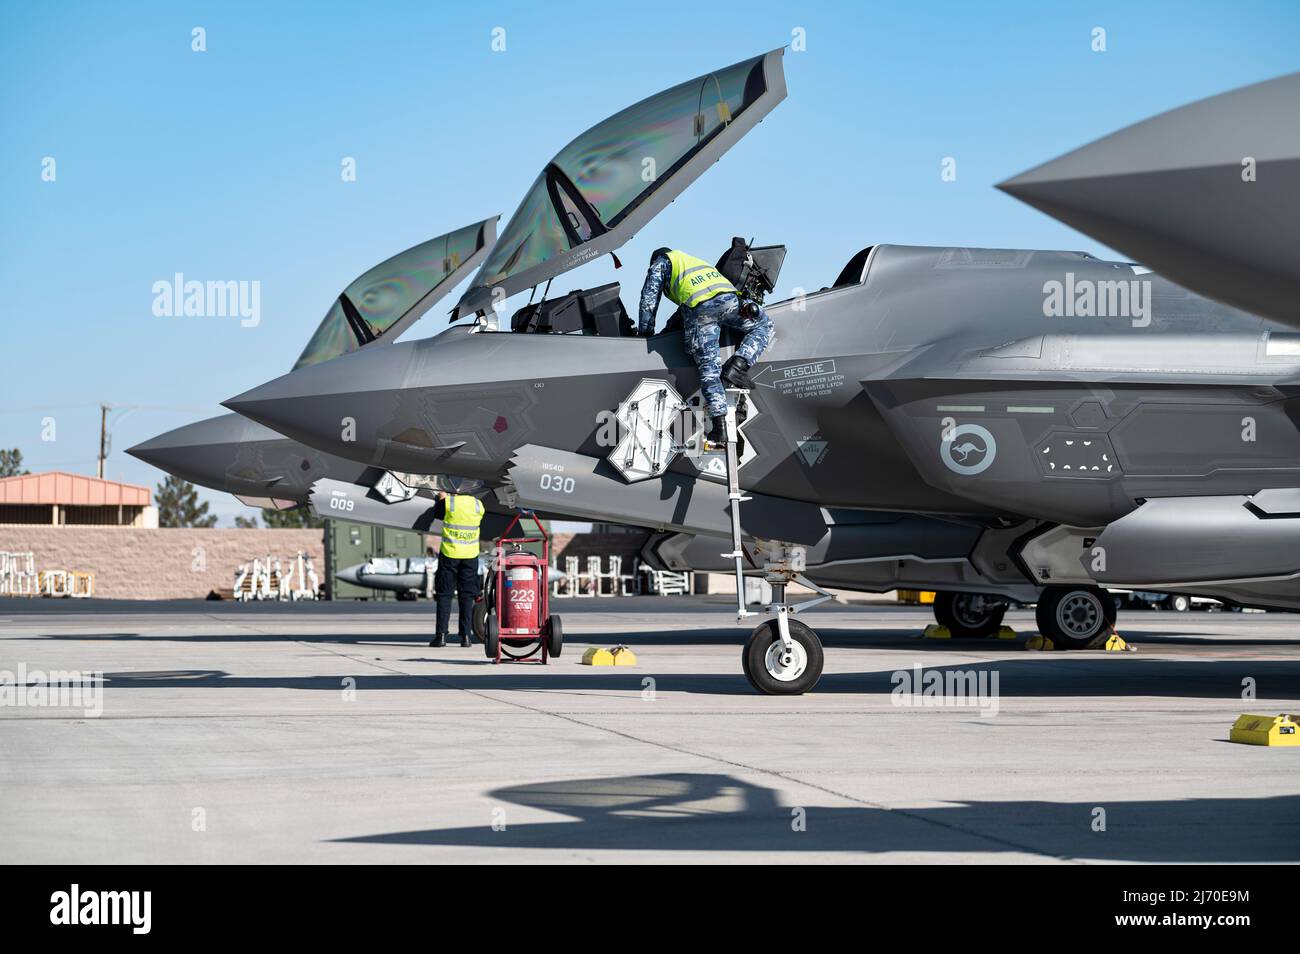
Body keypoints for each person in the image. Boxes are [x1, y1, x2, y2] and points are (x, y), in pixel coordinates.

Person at [637, 247, 774, 444]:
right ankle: (738, 365)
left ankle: (719, 427)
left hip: (702, 311)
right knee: (763, 325)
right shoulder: (692, 260)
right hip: (729, 300)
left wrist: (645, 332)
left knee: (709, 368)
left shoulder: (662, 262)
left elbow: (649, 299)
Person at [428, 492, 485, 647]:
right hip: (470, 555)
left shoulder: (449, 503)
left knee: (444, 595)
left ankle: (441, 636)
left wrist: (441, 498)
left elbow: (437, 514)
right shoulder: (478, 505)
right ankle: (465, 637)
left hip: (450, 554)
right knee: (466, 596)